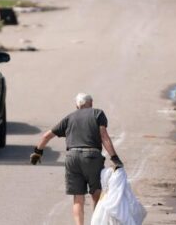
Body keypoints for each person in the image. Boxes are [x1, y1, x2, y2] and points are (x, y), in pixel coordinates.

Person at [30, 93, 123, 225]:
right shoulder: (97, 113)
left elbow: (47, 136)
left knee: (78, 198)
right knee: (96, 194)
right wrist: (115, 158)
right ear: (91, 103)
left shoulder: (70, 117)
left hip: (72, 158)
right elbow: (104, 136)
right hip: (92, 157)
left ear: (77, 106)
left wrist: (37, 152)